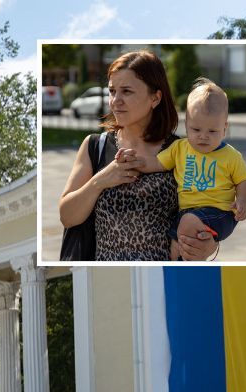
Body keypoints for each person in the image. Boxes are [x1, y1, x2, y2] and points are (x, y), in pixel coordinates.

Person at [59, 51, 215, 261]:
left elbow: (209, 211)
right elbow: (67, 217)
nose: (116, 101)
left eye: (126, 91)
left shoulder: (182, 151)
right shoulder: (95, 146)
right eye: (112, 91)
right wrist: (101, 180)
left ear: (155, 98)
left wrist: (209, 243)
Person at [123, 79, 246, 260]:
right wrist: (136, 162)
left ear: (225, 128)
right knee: (175, 246)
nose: (203, 137)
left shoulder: (231, 155)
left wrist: (243, 202)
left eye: (212, 131)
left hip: (219, 213)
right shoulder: (180, 148)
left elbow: (243, 180)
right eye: (196, 129)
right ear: (187, 124)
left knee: (188, 227)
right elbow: (157, 163)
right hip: (187, 213)